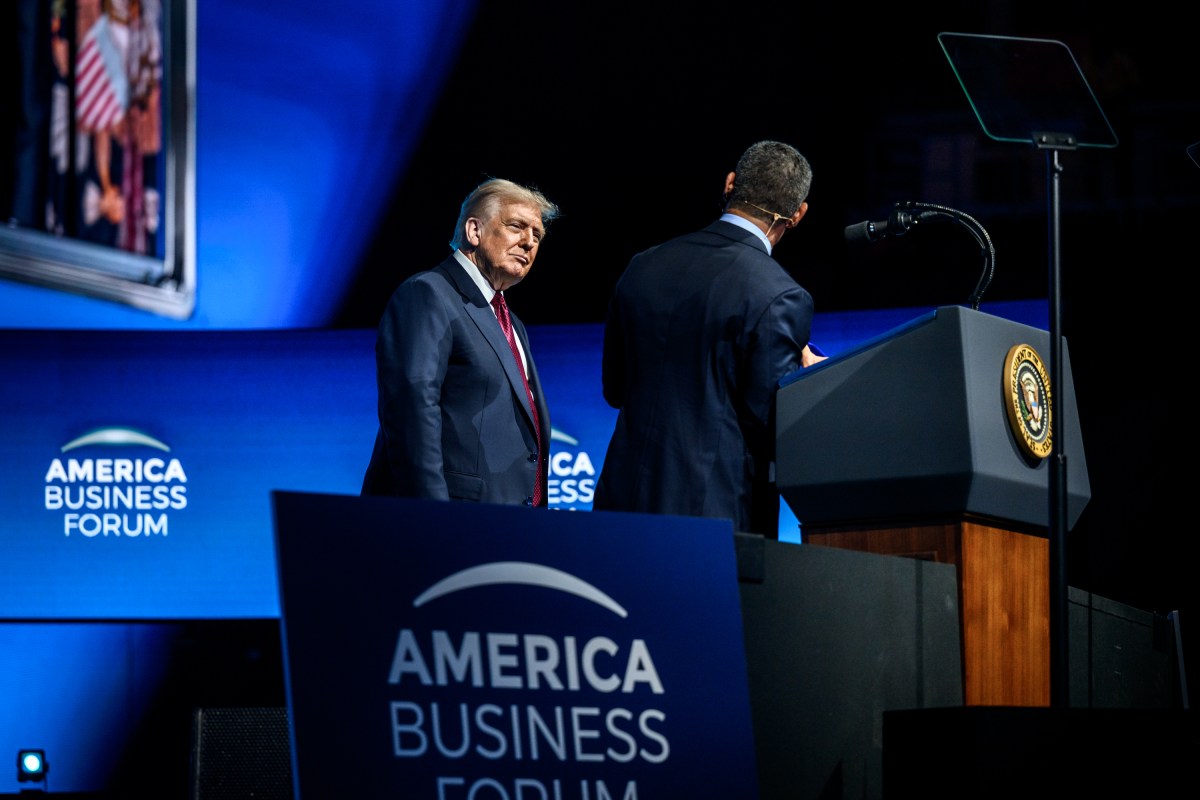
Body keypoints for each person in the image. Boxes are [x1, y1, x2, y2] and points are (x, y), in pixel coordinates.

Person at [592, 140, 825, 535]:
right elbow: (768, 423)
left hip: (620, 505)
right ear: (798, 214)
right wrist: (812, 380)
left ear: (730, 183)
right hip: (713, 519)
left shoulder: (643, 265)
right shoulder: (780, 294)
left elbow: (615, 389)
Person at [361, 177, 559, 507]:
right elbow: (411, 412)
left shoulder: (512, 323)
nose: (528, 242)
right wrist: (436, 518)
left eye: (537, 235)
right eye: (516, 227)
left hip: (507, 522)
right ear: (474, 231)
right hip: (450, 519)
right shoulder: (428, 293)